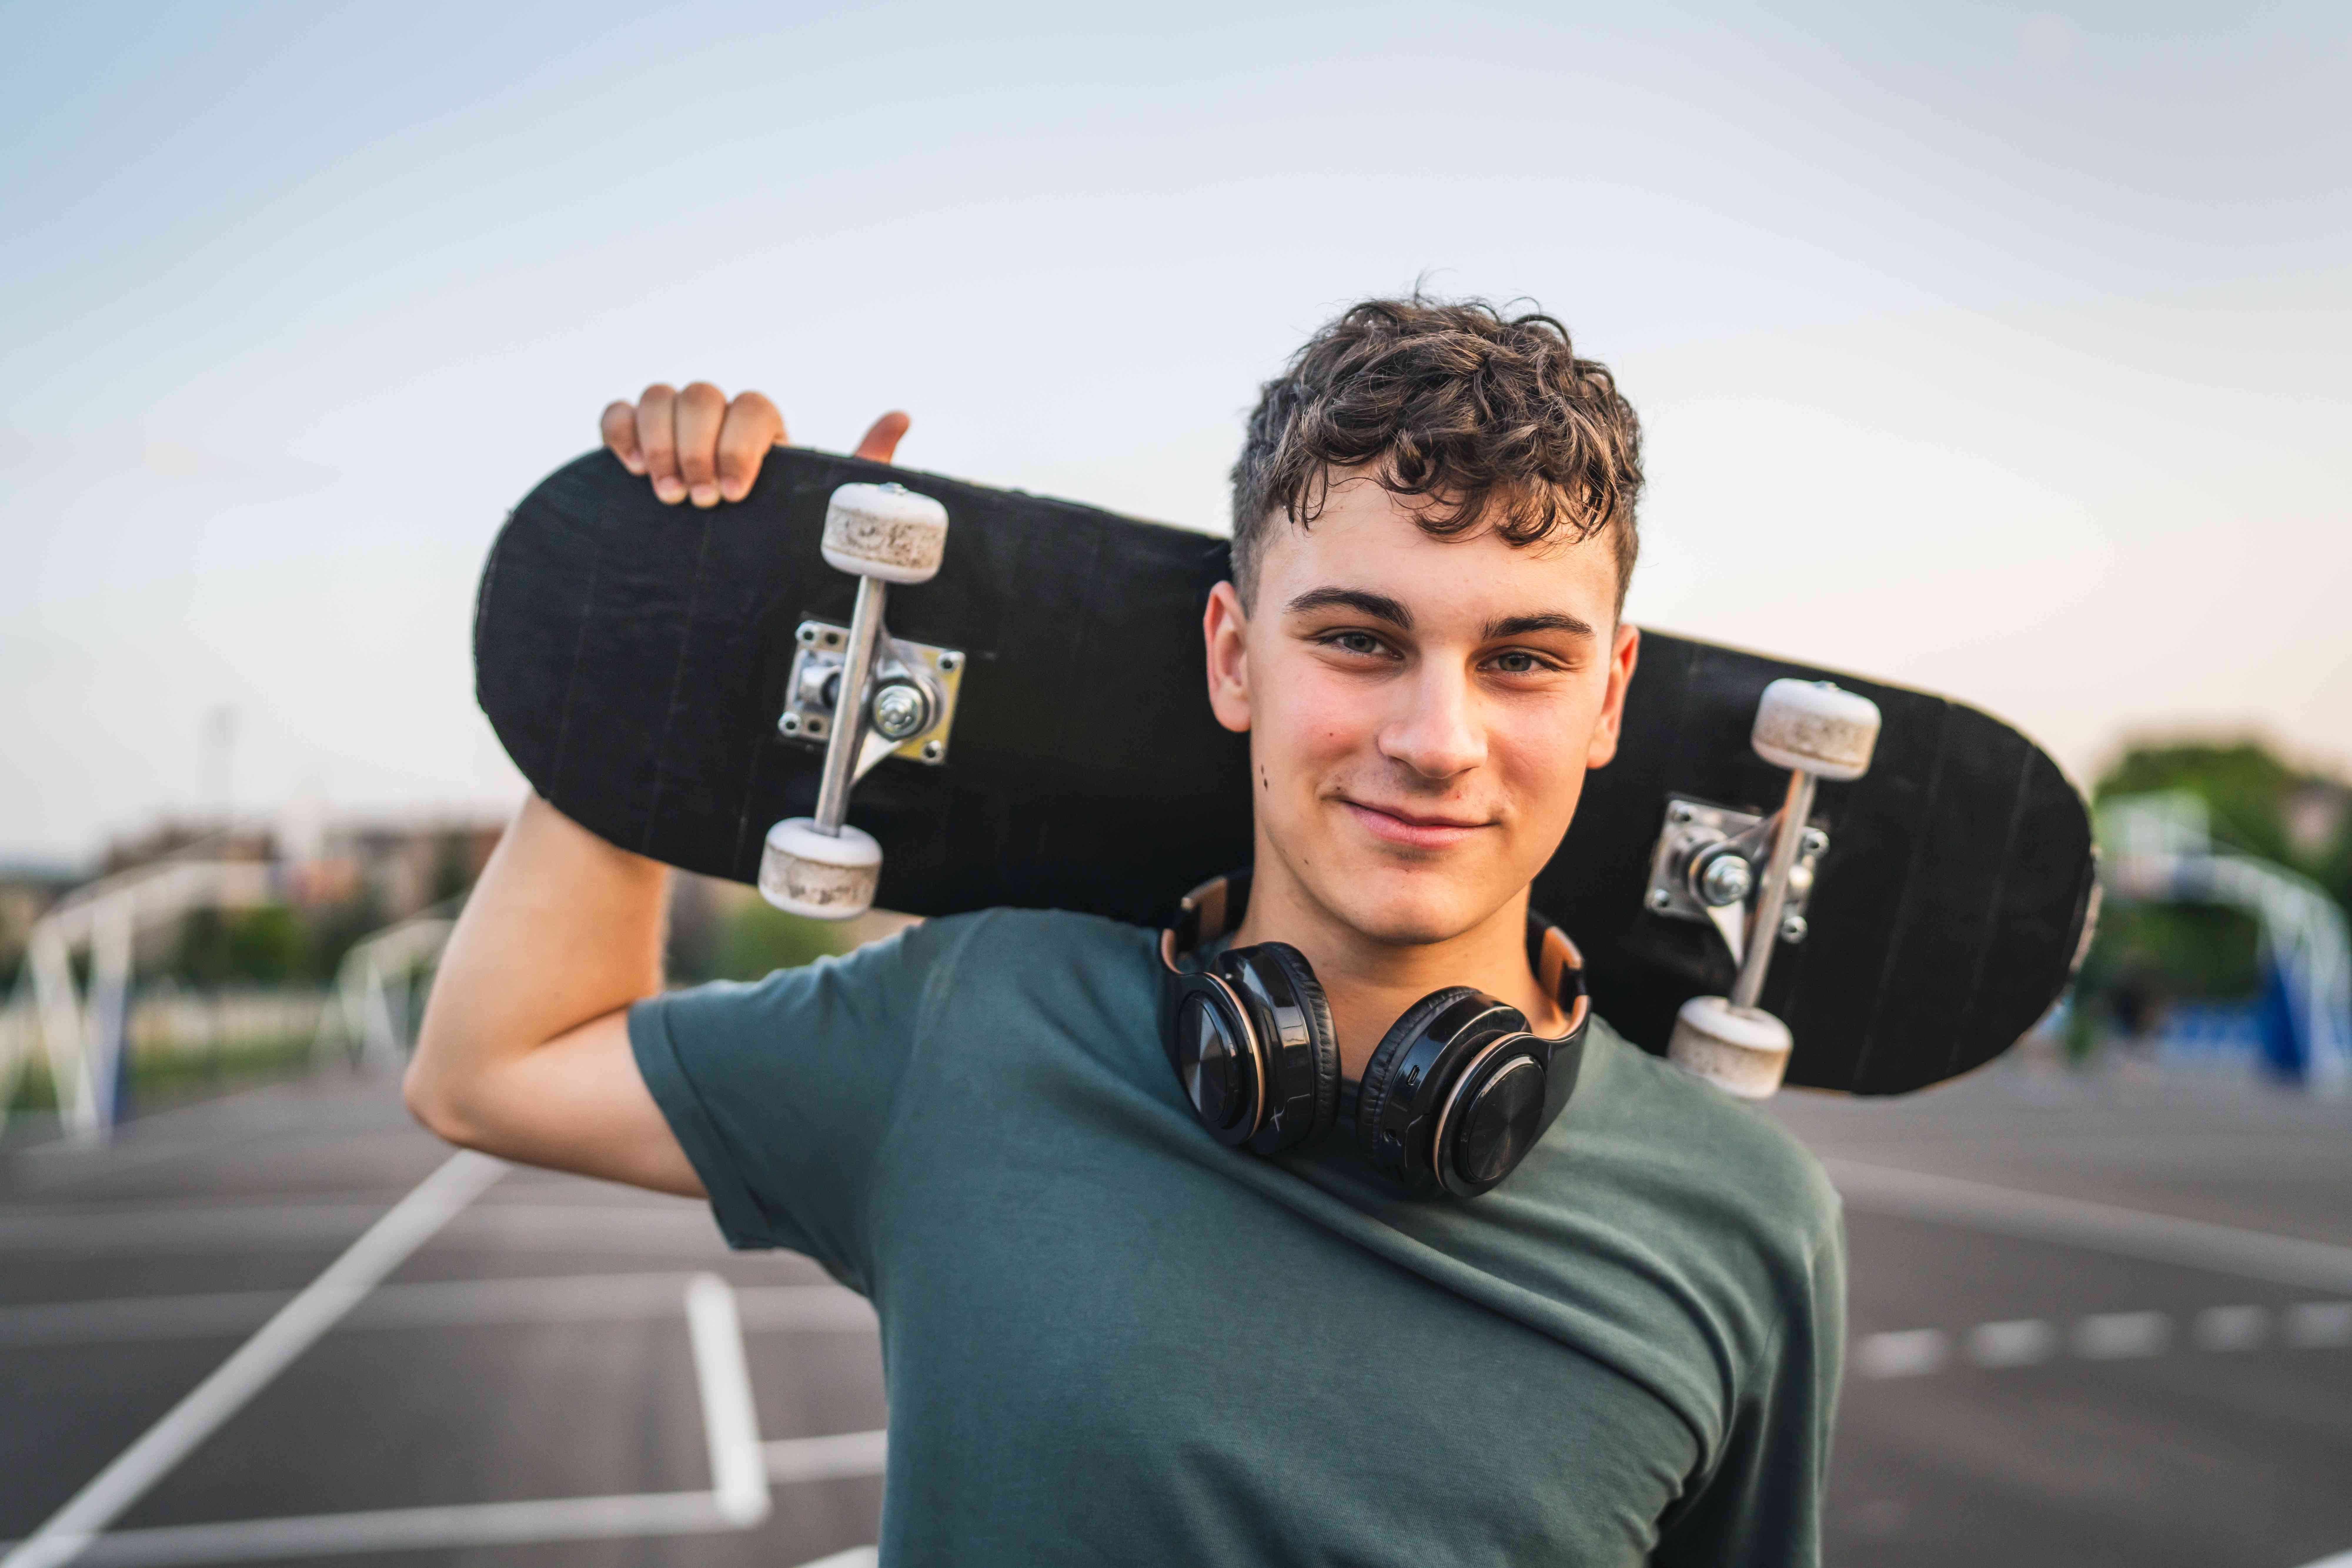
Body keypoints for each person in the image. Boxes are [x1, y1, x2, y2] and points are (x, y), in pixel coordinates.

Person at [407, 296, 1845, 1565]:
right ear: (1233, 655)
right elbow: (493, 1069)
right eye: (1357, 639)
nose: (1435, 739)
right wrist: (688, 619)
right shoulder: (979, 1018)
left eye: (1521, 659)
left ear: (1607, 699)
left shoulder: (1748, 1226)